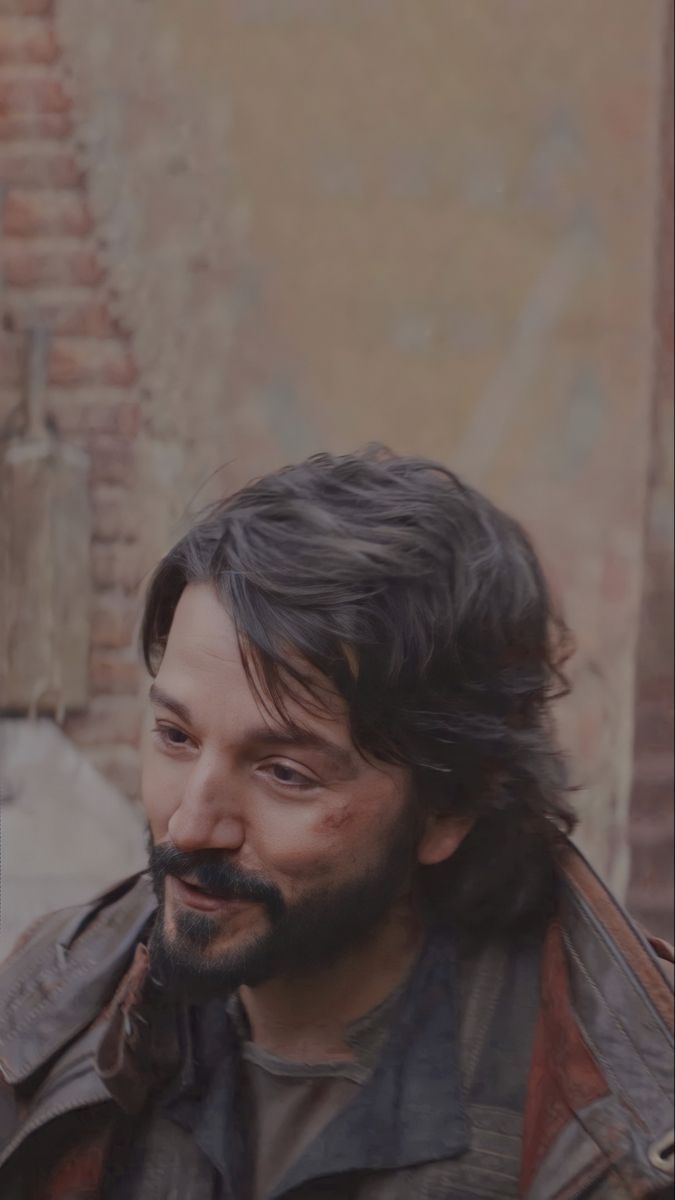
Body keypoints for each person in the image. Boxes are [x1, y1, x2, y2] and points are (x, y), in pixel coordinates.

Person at [0, 447, 672, 1200]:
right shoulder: (46, 1007)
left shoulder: (609, 1122)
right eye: (176, 738)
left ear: (446, 808)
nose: (189, 826)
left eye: (284, 773)